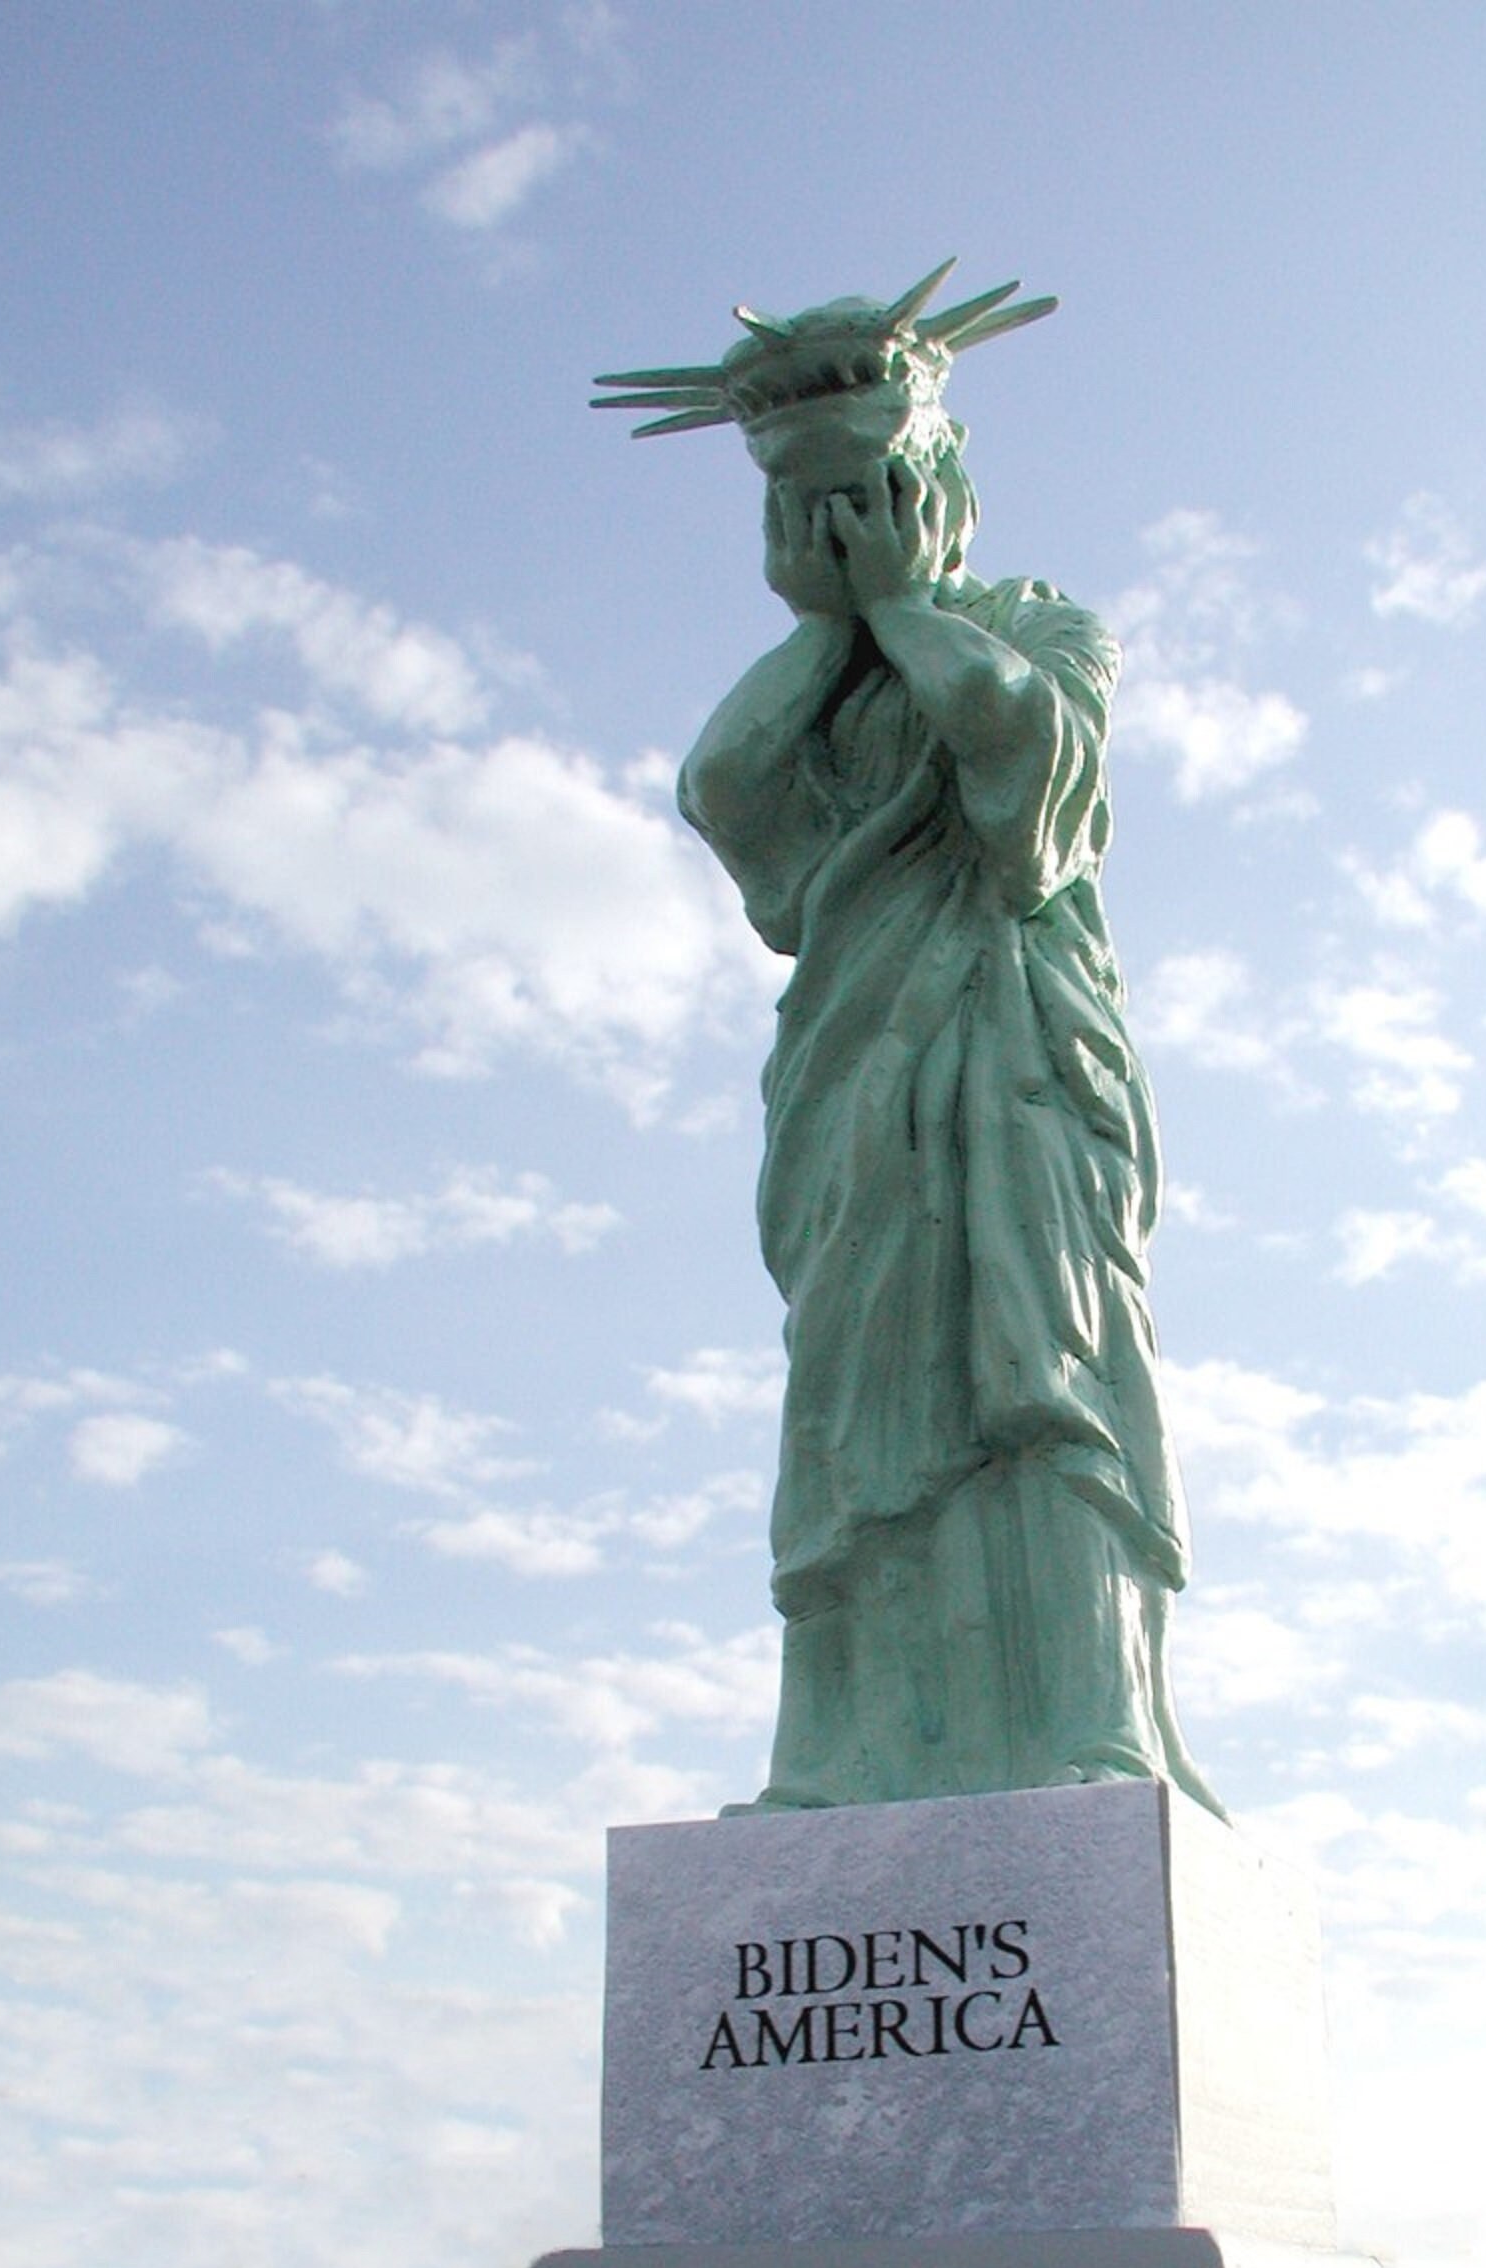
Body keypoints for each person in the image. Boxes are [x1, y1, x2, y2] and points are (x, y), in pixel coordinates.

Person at [596, 269, 1220, 1815]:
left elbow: (1029, 781)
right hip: (858, 1091)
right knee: (856, 1391)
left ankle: (1096, 1719)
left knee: (1046, 1363)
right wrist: (834, 625)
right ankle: (836, 1753)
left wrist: (897, 610)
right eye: (808, 516)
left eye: (867, 497)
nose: (842, 534)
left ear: (935, 484)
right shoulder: (806, 691)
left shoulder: (1039, 626)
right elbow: (728, 797)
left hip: (1016, 1065)